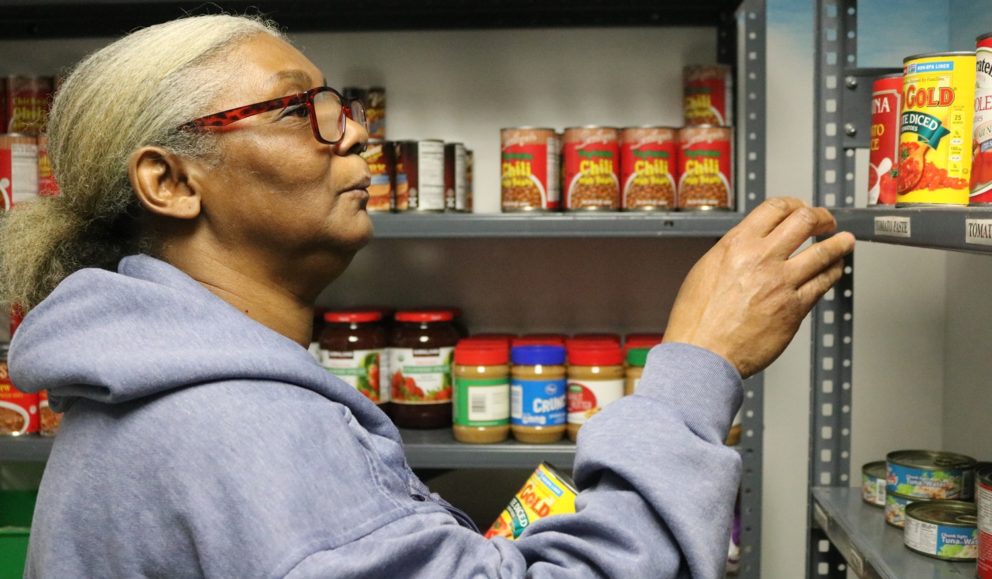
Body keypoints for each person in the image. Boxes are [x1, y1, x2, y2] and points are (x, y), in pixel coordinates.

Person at [0, 14, 854, 579]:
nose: (359, 132)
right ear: (170, 180)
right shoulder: (234, 424)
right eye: (307, 111)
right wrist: (697, 365)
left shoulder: (159, 384)